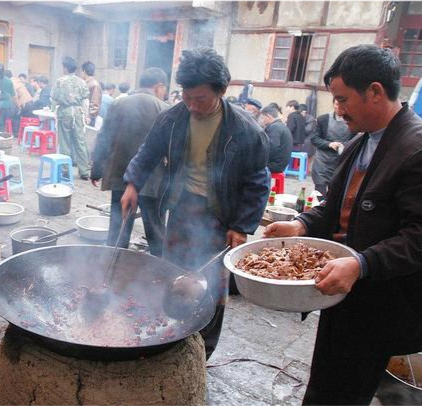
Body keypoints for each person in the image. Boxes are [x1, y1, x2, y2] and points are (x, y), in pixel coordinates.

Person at [265, 44, 422, 406]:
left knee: (346, 391)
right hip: (343, 290)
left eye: (343, 100)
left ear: (375, 91)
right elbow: (339, 204)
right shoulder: (362, 140)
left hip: (380, 303)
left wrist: (361, 263)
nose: (338, 110)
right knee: (327, 382)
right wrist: (301, 224)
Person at [122, 48, 270, 359]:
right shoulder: (174, 118)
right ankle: (173, 334)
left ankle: (203, 350)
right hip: (181, 207)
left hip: (221, 214)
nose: (192, 105)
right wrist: (133, 184)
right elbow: (148, 152)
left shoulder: (244, 130)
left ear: (221, 90)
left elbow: (258, 181)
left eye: (200, 99)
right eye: (187, 97)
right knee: (175, 272)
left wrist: (242, 226)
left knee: (213, 284)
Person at [90, 68, 170, 256]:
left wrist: (96, 170)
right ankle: (163, 272)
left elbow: (104, 138)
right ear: (159, 87)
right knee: (156, 232)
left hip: (121, 177)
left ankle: (113, 268)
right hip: (153, 182)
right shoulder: (164, 109)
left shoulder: (119, 104)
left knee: (118, 230)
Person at [51, 56, 91, 180]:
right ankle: (84, 171)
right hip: (78, 113)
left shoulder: (59, 82)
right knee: (80, 141)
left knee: (65, 143)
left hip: (64, 113)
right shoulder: (82, 82)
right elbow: (85, 101)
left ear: (66, 68)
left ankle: (65, 171)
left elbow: (54, 99)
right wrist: (86, 115)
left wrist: (53, 110)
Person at [310, 101, 354, 198]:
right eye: (336, 104)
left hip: (341, 161)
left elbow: (356, 140)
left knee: (335, 192)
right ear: (333, 104)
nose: (338, 107)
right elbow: (314, 138)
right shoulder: (323, 119)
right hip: (323, 161)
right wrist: (329, 144)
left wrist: (344, 145)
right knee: (320, 191)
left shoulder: (352, 120)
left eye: (341, 104)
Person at [259, 106, 292, 174]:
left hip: (276, 165)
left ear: (269, 116)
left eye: (262, 117)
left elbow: (272, 148)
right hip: (280, 162)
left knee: (246, 167)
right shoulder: (280, 125)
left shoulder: (274, 127)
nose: (262, 120)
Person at [0, 64, 17, 133]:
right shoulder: (9, 81)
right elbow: (14, 96)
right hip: (7, 106)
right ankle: (2, 134)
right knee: (2, 123)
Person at [81, 61, 102, 126]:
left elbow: (95, 103)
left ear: (84, 71)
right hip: (84, 116)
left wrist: (90, 116)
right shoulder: (86, 83)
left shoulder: (94, 85)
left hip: (88, 118)